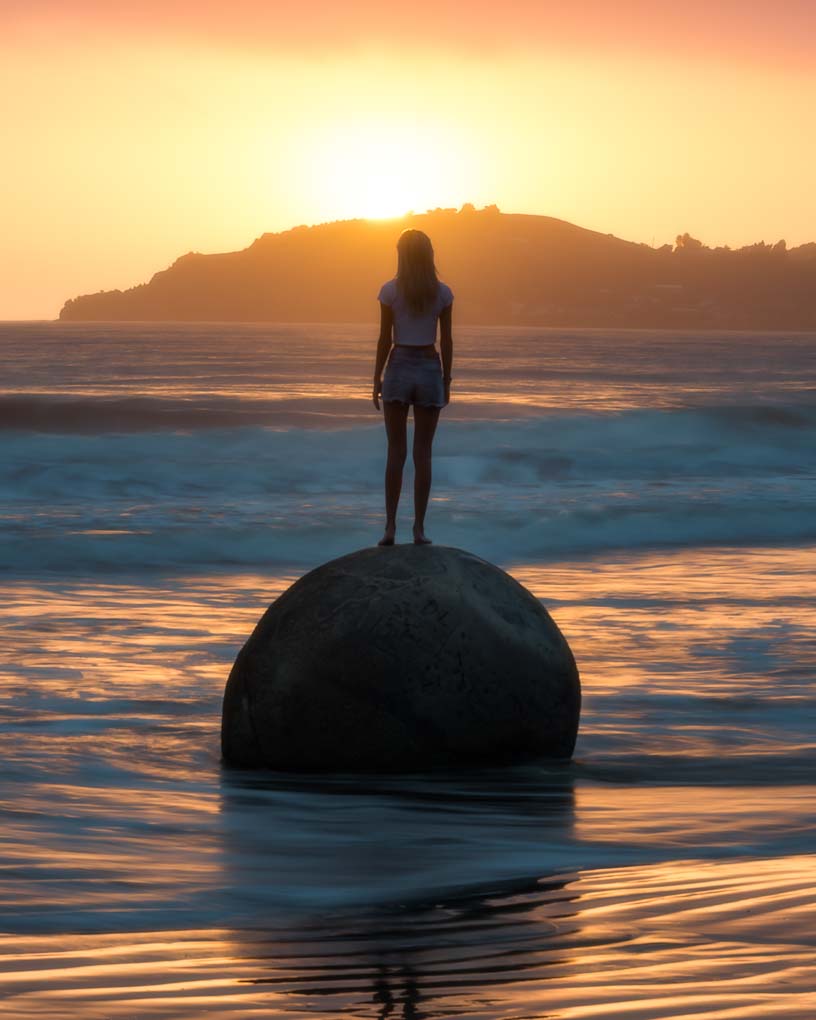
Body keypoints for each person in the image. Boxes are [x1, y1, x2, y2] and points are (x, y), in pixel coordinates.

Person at [372, 228, 453, 546]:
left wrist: (375, 378)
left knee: (396, 452)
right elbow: (446, 340)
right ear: (429, 255)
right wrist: (446, 380)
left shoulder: (390, 291)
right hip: (429, 367)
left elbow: (383, 339)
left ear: (400, 255)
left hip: (399, 365)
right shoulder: (443, 293)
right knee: (423, 455)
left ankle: (390, 528)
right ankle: (419, 529)